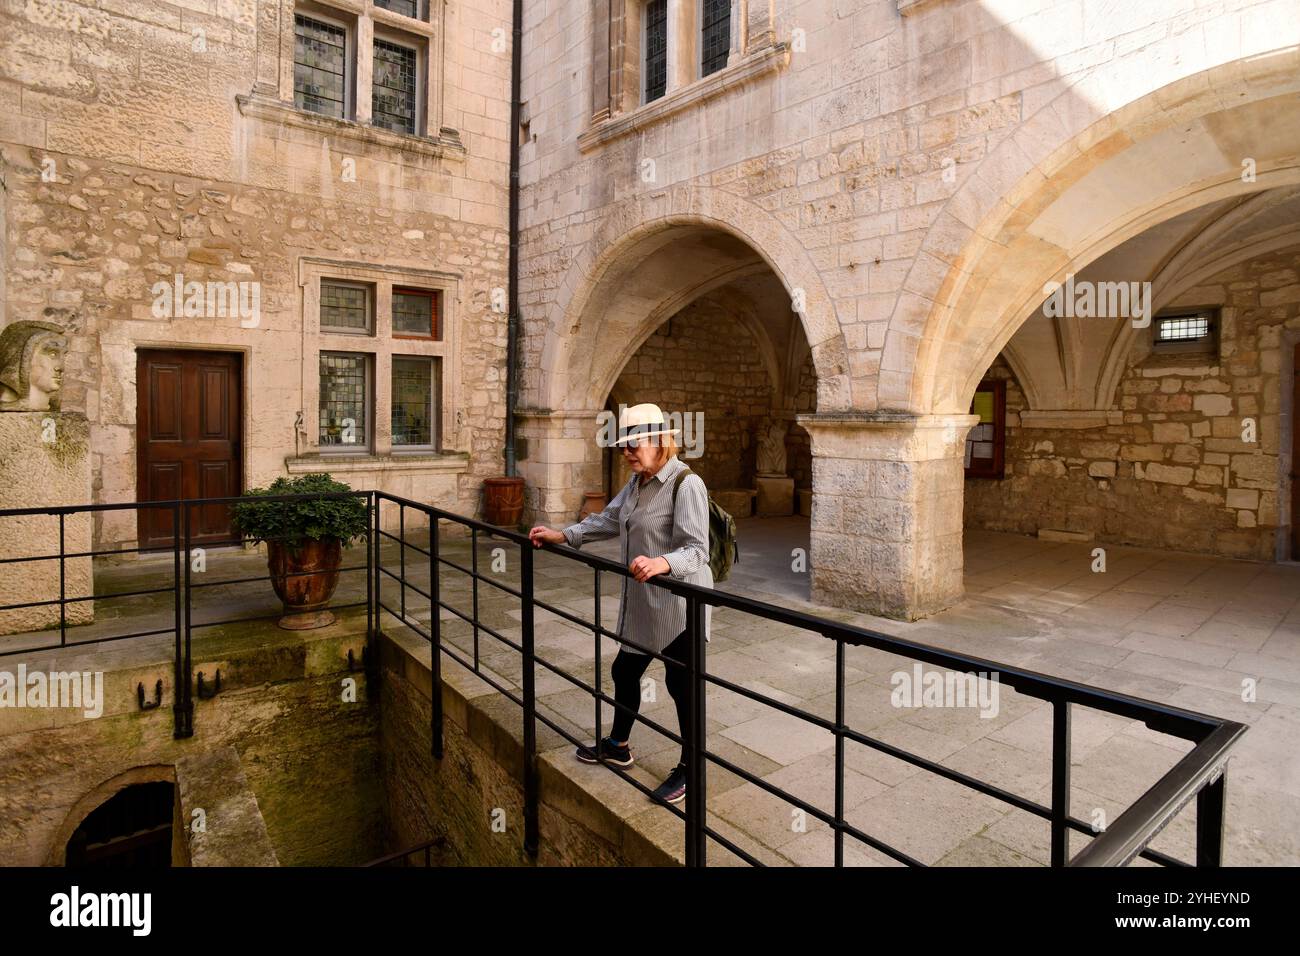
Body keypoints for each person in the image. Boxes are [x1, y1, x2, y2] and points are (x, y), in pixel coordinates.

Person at [528, 402, 712, 805]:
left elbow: (699, 550)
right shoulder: (637, 482)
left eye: (634, 444)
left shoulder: (686, 484)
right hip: (644, 601)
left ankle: (691, 768)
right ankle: (619, 745)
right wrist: (565, 535)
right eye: (622, 446)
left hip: (681, 606)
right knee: (624, 670)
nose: (627, 452)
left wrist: (663, 561)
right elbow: (609, 520)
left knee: (682, 686)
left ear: (659, 440)